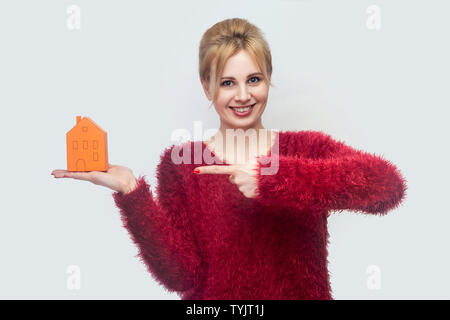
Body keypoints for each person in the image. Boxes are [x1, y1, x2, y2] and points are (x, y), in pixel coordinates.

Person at [51, 18, 407, 300]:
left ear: (269, 79)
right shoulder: (181, 163)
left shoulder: (305, 149)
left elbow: (386, 186)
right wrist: (131, 192)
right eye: (226, 83)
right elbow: (181, 276)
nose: (243, 95)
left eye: (254, 79)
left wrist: (273, 179)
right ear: (206, 86)